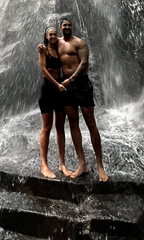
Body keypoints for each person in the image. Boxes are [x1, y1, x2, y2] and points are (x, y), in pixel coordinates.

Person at [42, 18, 108, 181]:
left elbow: (85, 63)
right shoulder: (56, 42)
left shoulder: (80, 43)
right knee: (73, 122)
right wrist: (41, 47)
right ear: (60, 28)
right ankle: (82, 164)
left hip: (80, 84)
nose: (66, 27)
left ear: (72, 27)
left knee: (90, 122)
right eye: (64, 25)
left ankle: (100, 165)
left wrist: (71, 80)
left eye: (69, 25)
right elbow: (47, 42)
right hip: (66, 86)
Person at [37, 27, 72, 178]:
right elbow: (44, 70)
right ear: (46, 36)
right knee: (46, 127)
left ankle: (62, 164)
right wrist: (57, 85)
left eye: (54, 34)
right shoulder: (43, 50)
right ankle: (44, 165)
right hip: (48, 89)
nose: (52, 36)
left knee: (60, 127)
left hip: (60, 89)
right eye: (50, 34)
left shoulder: (59, 49)